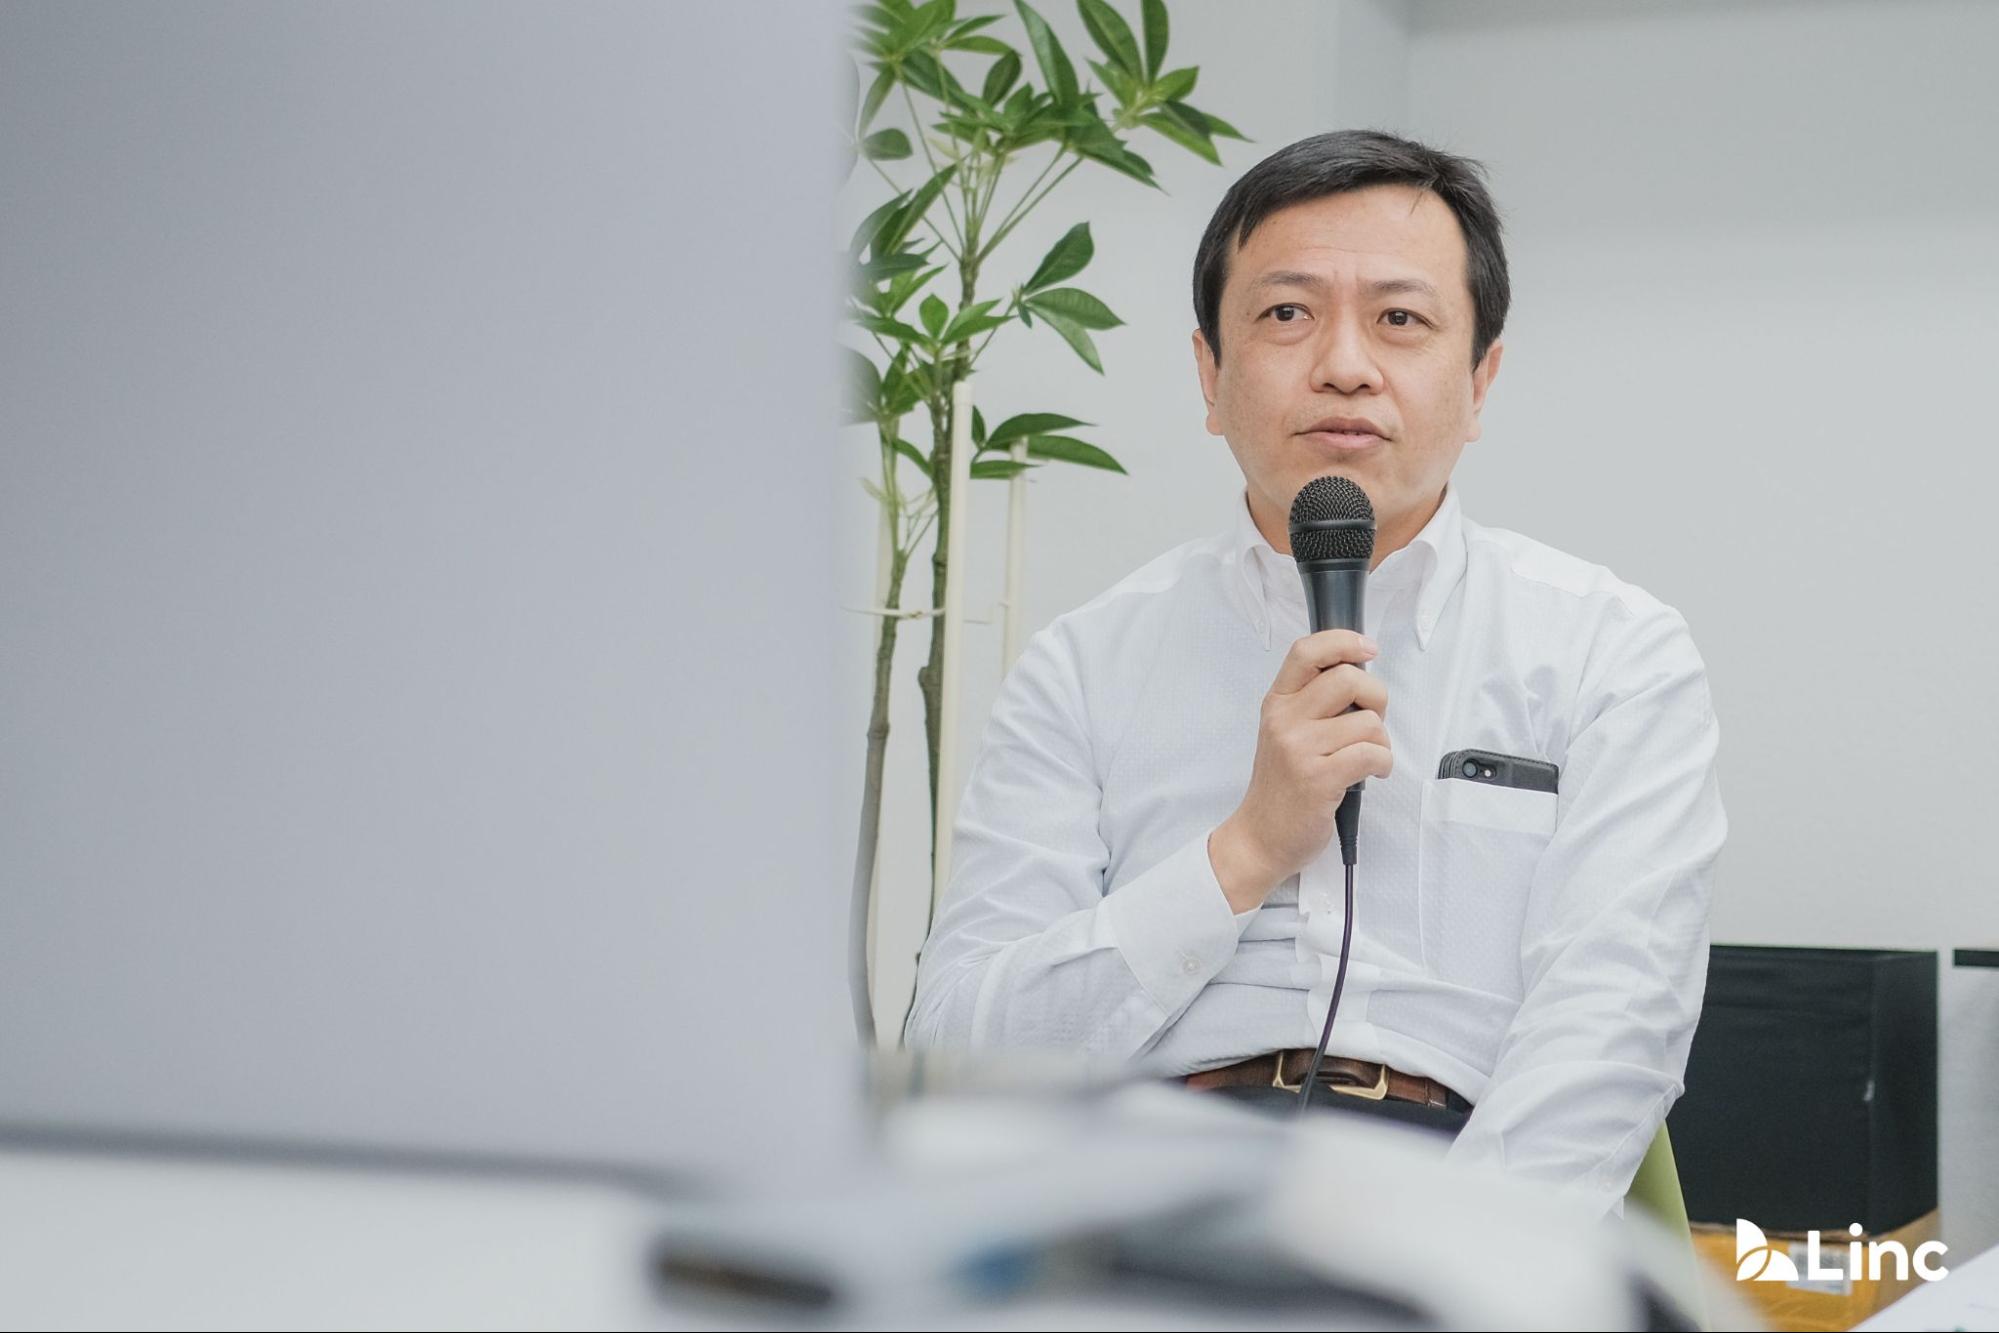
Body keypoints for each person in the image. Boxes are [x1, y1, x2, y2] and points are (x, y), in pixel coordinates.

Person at [903, 129, 1726, 1218]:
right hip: (1136, 1199)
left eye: (1400, 319)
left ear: (1479, 381)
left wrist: (1453, 1260)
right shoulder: (1084, 663)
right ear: (1210, 374)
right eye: (1287, 313)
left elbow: (1611, 1027)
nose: (1344, 364)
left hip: (1454, 1184)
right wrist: (1243, 851)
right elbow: (959, 1052)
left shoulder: (1609, 649)